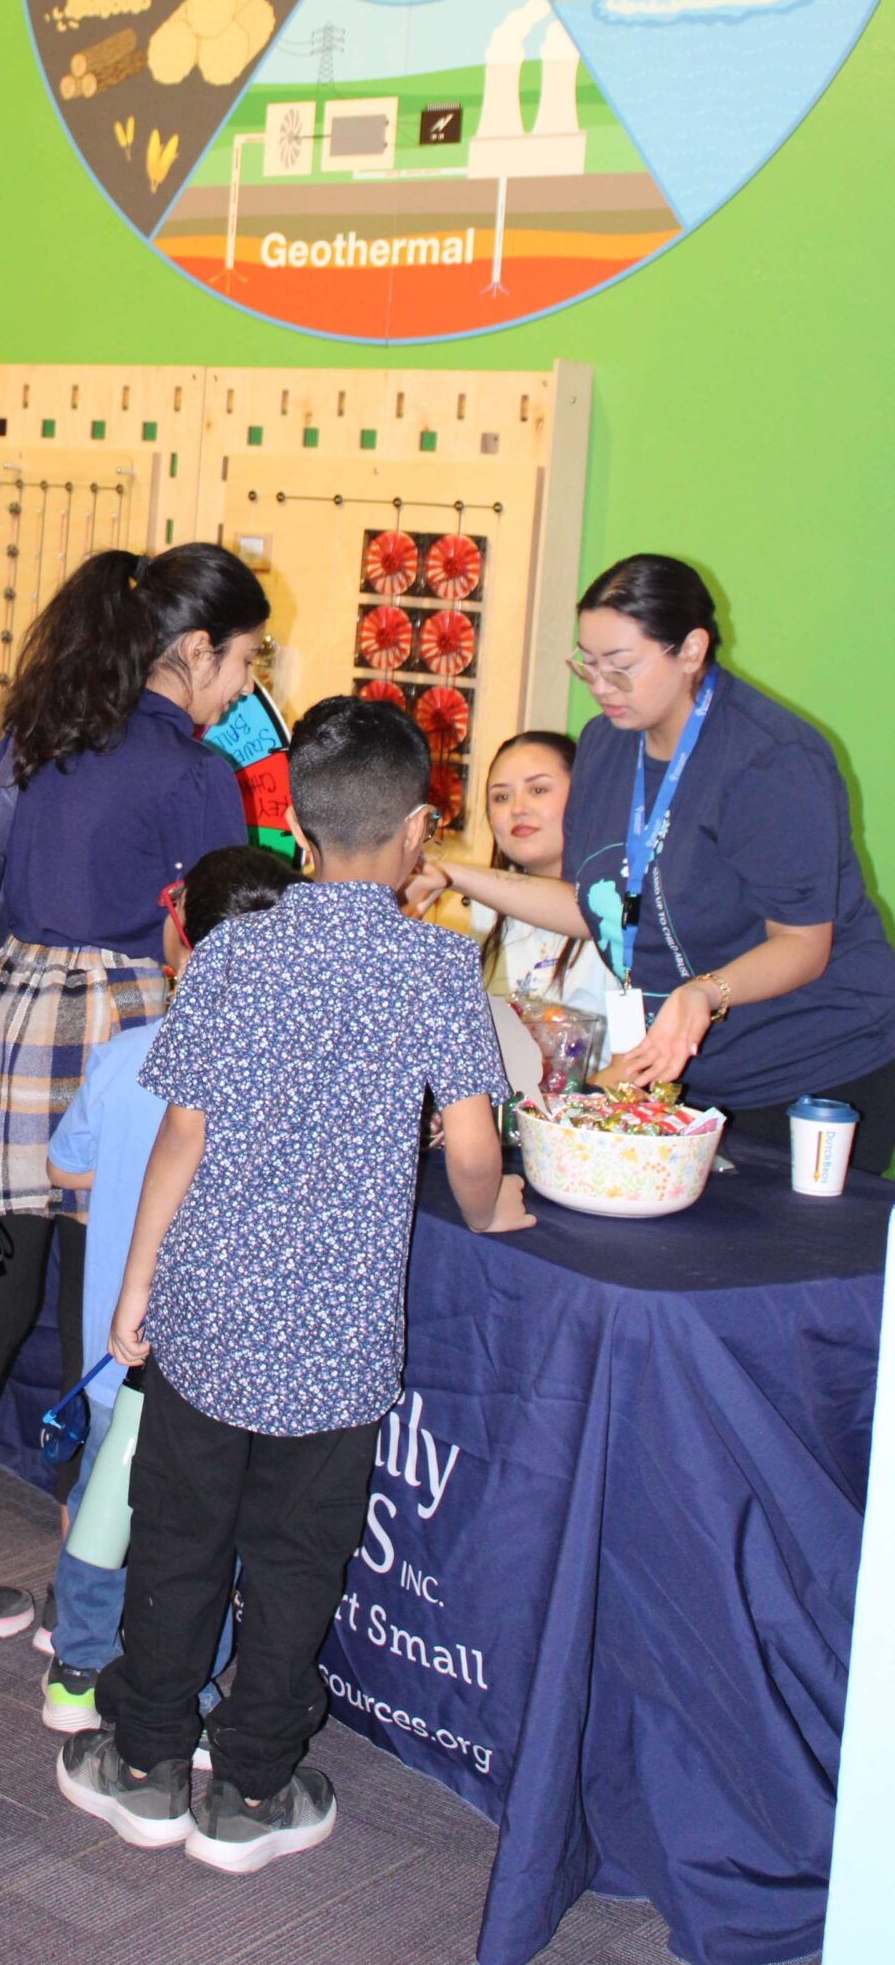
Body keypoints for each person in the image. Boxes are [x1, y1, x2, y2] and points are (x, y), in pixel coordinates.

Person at [57, 696, 530, 1874]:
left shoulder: (230, 949)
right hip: (335, 1341)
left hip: (205, 1317)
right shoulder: (434, 962)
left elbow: (180, 1136)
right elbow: (471, 1151)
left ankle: (144, 1762)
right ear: (419, 828)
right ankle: (253, 1787)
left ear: (297, 823)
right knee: (293, 1560)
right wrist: (494, 1207)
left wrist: (136, 1281)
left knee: (176, 1538)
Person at [0, 541, 269, 1652]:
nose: (246, 683)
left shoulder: (43, 736)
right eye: (245, 658)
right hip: (133, 1030)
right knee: (112, 1323)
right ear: (193, 649)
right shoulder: (196, 775)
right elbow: (224, 937)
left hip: (11, 1018)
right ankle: (84, 1582)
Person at [411, 556, 895, 1175]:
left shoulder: (770, 760)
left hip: (813, 1065)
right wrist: (456, 874)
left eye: (622, 667)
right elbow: (596, 910)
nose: (601, 685)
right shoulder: (605, 746)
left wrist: (705, 992)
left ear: (691, 650)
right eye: (587, 663)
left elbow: (804, 944)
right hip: (683, 1070)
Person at [41, 841, 297, 1734]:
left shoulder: (129, 1057)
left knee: (100, 1505)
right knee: (194, 1530)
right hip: (210, 1363)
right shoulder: (284, 1081)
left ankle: (75, 1668)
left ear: (179, 942)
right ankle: (181, 1682)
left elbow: (65, 1168)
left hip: (114, 1354)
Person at [470, 731, 614, 1023]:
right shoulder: (484, 909)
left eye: (538, 790)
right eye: (501, 797)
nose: (518, 809)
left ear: (583, 794)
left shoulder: (619, 898)